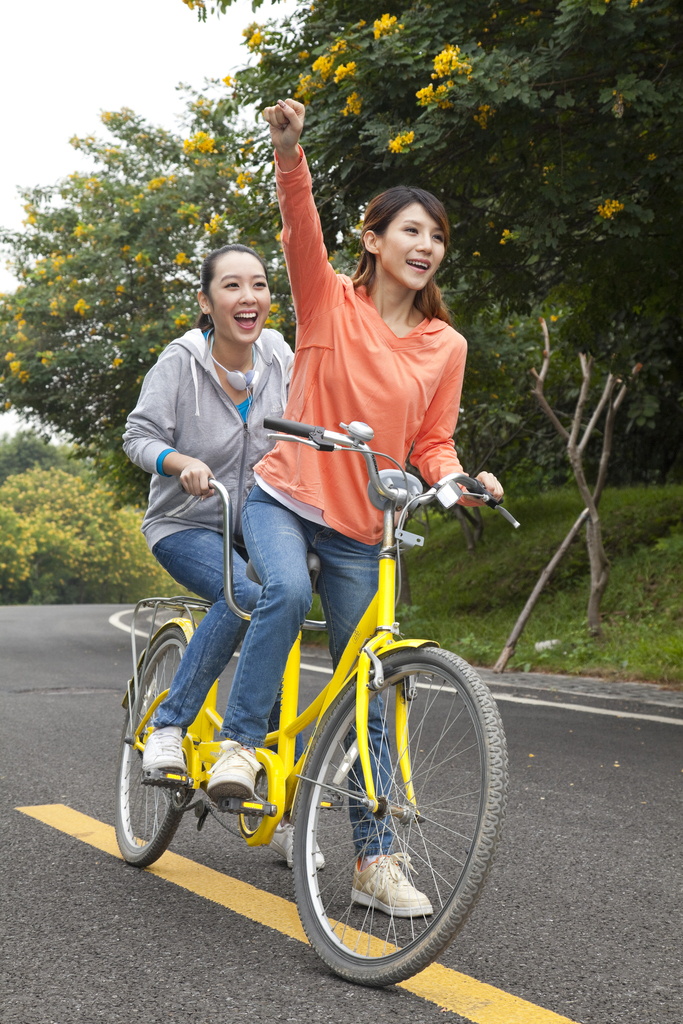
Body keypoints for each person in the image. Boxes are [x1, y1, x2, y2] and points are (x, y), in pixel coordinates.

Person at [206, 98, 504, 916]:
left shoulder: (447, 346)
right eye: (411, 231)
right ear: (374, 241)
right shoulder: (329, 299)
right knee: (284, 594)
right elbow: (299, 223)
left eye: (437, 237)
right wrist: (288, 150)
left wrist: (460, 479)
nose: (426, 247)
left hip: (363, 528)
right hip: (286, 495)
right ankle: (239, 746)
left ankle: (375, 861)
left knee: (370, 685)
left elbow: (432, 442)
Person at [122, 241, 305, 868]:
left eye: (258, 285)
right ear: (207, 302)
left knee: (284, 616)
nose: (247, 297)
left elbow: (314, 422)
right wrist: (180, 462)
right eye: (231, 286)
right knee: (247, 597)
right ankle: (169, 723)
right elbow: (138, 434)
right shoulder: (181, 361)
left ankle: (276, 794)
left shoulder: (281, 355)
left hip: (259, 520)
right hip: (185, 521)